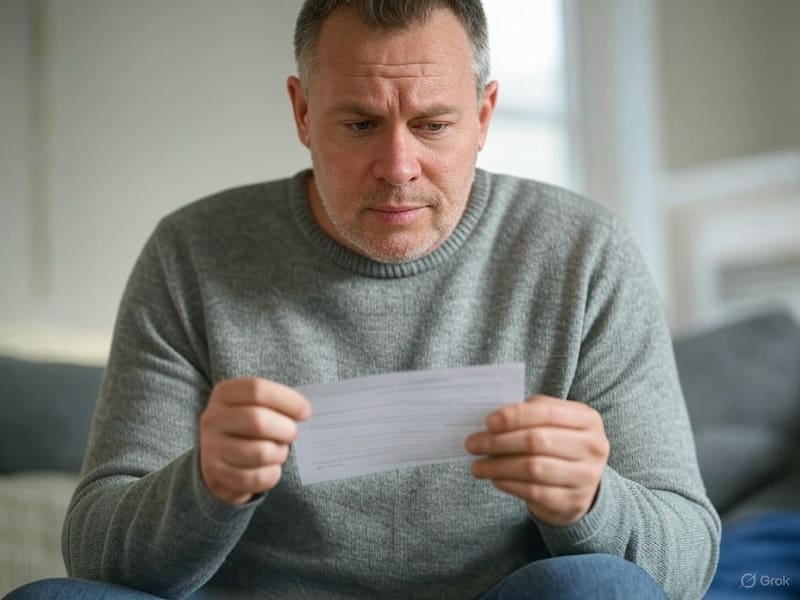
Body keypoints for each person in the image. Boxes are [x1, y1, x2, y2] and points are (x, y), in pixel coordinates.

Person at [4, 1, 720, 599]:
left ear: (485, 115)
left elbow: (689, 557)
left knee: (603, 588)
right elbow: (94, 555)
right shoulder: (192, 255)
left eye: (433, 125)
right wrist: (205, 485)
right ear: (302, 111)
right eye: (360, 124)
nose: (398, 168)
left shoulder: (584, 253)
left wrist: (591, 502)